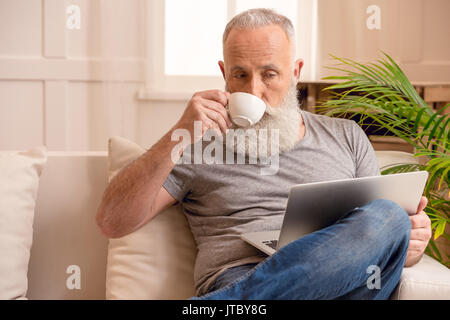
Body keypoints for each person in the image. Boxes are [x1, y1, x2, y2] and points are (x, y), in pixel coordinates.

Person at [96, 8, 432, 299]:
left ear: (296, 72)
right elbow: (112, 221)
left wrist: (410, 241)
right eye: (240, 74)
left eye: (269, 74)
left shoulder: (346, 136)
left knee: (388, 215)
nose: (253, 90)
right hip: (240, 274)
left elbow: (373, 237)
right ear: (224, 72)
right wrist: (177, 134)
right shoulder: (197, 143)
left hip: (347, 287)